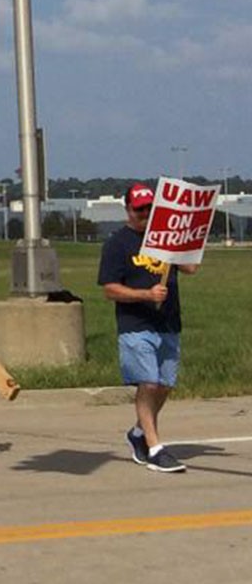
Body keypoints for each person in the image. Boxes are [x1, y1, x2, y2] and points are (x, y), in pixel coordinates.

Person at [99, 181, 197, 473]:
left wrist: (184, 242)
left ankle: (139, 433)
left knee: (164, 385)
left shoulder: (165, 239)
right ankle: (155, 448)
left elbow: (191, 269)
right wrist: (145, 295)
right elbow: (110, 289)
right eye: (139, 209)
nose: (144, 213)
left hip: (167, 322)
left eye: (149, 208)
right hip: (135, 324)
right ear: (128, 210)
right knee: (148, 382)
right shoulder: (117, 244)